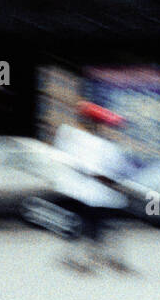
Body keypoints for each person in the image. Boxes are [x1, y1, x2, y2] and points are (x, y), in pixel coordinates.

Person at [52, 102, 134, 275]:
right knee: (96, 228)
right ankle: (90, 259)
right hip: (94, 195)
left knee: (93, 228)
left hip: (84, 193)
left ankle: (92, 258)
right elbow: (97, 172)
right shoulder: (96, 144)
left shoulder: (73, 138)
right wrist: (116, 185)